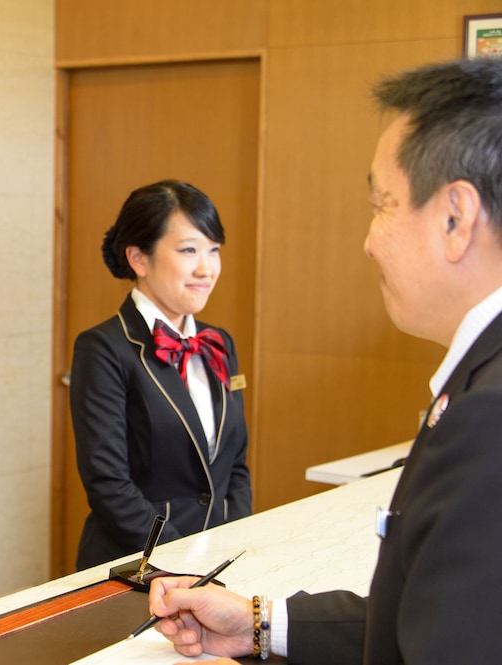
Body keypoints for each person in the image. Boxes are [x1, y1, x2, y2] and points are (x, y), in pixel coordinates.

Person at [147, 58, 502, 665]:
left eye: (383, 204)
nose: (369, 241)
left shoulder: (486, 417)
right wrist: (260, 624)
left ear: (456, 217)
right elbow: (422, 616)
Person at [70, 180, 252, 571]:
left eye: (214, 250)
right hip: (138, 568)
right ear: (139, 258)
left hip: (216, 568)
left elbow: (235, 465)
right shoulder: (103, 348)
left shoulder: (220, 342)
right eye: (188, 250)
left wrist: (231, 544)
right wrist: (180, 561)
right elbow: (109, 485)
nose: (206, 269)